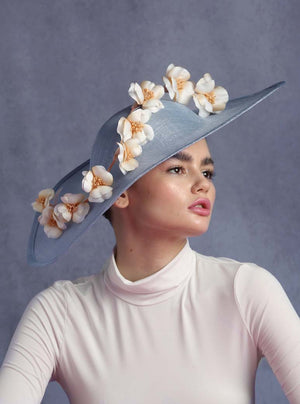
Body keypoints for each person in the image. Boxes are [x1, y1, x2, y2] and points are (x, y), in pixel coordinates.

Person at [0, 65, 299, 404]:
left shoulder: (246, 291)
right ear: (121, 194)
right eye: (177, 169)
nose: (203, 184)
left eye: (207, 171)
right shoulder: (58, 314)